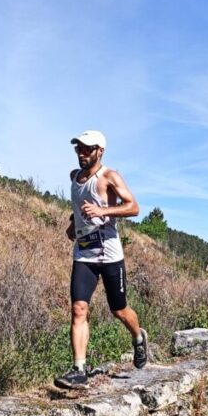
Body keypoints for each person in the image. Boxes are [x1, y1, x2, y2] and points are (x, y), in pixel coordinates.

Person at [55, 130, 149, 389]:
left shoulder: (109, 176)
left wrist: (103, 210)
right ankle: (79, 370)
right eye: (78, 149)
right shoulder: (75, 177)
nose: (82, 153)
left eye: (88, 149)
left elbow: (134, 207)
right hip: (84, 253)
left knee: (118, 310)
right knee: (78, 309)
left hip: (109, 253)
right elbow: (79, 205)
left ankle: (139, 337)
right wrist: (73, 223)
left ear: (100, 151)